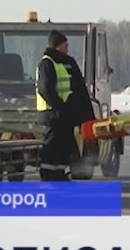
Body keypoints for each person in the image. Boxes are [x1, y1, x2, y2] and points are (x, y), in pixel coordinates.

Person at [35, 30, 95, 181]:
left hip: (65, 115)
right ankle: (48, 174)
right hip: (52, 113)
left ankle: (58, 173)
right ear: (57, 45)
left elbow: (79, 89)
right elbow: (45, 89)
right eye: (65, 45)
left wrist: (86, 115)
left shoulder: (68, 62)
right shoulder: (47, 63)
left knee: (64, 146)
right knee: (52, 145)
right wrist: (60, 108)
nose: (68, 47)